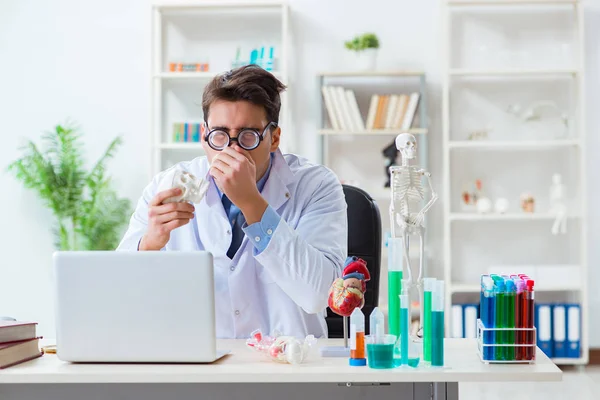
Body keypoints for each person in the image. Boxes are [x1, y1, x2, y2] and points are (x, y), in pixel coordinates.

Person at [117, 65, 348, 339]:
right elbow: (121, 293)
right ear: (204, 135)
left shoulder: (316, 186)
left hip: (288, 364)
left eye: (248, 135)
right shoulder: (166, 186)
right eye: (220, 135)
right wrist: (149, 243)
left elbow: (319, 295)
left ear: (274, 138)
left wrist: (252, 204)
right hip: (197, 362)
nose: (232, 149)